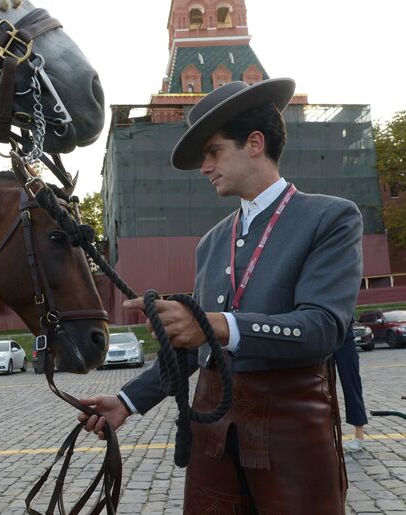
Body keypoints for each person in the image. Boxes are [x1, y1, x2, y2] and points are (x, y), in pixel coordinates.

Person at [79, 78, 363, 514]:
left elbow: (323, 328)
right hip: (211, 436)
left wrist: (211, 323)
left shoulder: (330, 217)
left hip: (291, 431)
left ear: (254, 143)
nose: (205, 167)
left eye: (213, 152)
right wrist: (127, 401)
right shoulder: (212, 241)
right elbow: (194, 350)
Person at [335, 320, 368, 452]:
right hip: (322, 338)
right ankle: (324, 434)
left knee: (352, 386)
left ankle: (359, 436)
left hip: (345, 336)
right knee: (320, 388)